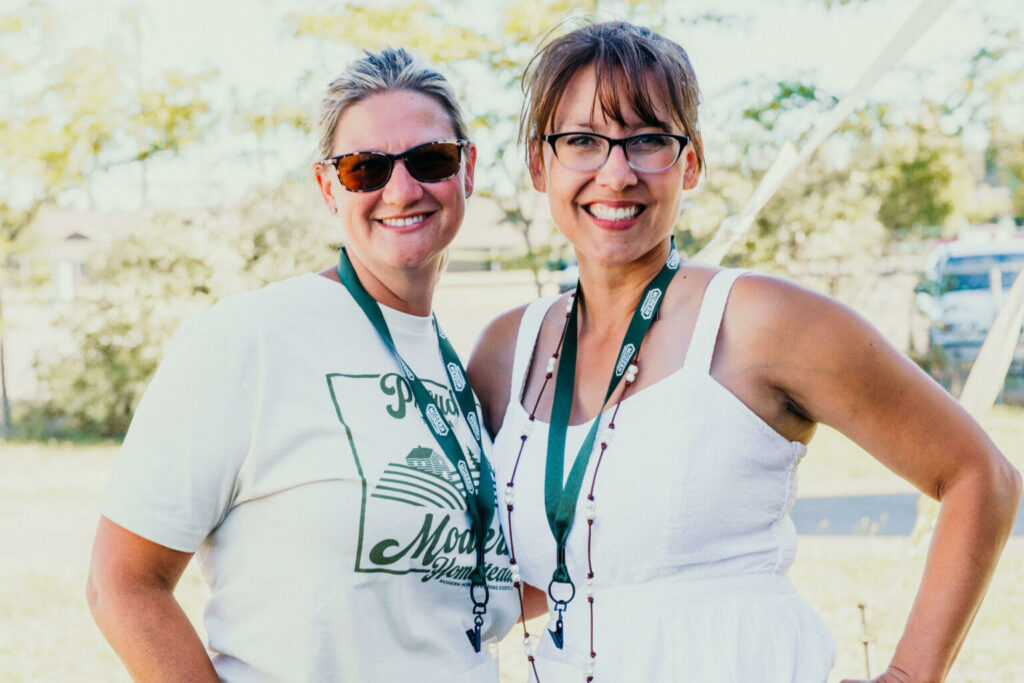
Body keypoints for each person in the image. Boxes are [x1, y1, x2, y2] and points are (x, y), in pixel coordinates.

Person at [467, 21, 1022, 683]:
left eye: (648, 140)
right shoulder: (507, 349)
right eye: (583, 141)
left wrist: (910, 674)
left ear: (691, 160)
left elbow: (979, 476)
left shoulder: (762, 319)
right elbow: (560, 568)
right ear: (539, 163)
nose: (616, 173)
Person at [86, 47, 517, 682]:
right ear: (327, 187)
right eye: (364, 168)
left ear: (467, 169)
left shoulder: (459, 371)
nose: (401, 189)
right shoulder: (250, 339)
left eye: (430, 160)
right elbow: (121, 586)